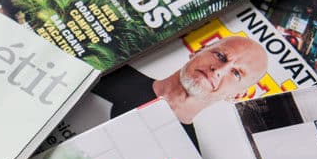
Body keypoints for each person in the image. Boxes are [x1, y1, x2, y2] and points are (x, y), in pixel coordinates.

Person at [93, 36, 268, 124]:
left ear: (236, 96)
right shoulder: (109, 74)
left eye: (236, 74)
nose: (219, 70)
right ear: (200, 49)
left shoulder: (191, 156)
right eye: (220, 56)